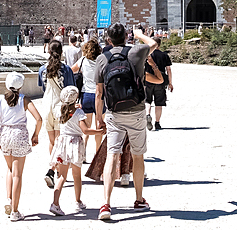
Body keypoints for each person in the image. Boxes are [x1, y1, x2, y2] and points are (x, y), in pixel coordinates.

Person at [94, 24, 157, 221]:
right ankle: (138, 199)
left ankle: (106, 203)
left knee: (112, 155)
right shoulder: (136, 51)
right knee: (138, 155)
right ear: (126, 36)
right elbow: (154, 43)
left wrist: (98, 118)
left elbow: (99, 93)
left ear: (109, 39)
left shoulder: (102, 59)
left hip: (114, 112)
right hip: (137, 110)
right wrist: (139, 35)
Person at [0, 71, 43, 222]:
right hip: (19, 134)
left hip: (5, 134)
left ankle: (8, 199)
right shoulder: (24, 100)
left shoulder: (0, 100)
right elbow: (39, 119)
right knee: (18, 174)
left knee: (10, 169)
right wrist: (35, 134)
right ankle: (15, 211)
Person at [48, 86, 101, 216]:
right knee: (77, 175)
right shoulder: (79, 113)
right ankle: (78, 201)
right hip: (75, 144)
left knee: (62, 176)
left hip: (62, 143)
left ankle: (55, 203)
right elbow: (85, 130)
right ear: (75, 98)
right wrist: (99, 131)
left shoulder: (59, 110)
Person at [39, 39, 75, 188]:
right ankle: (55, 170)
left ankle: (55, 169)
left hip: (47, 105)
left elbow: (42, 87)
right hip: (60, 107)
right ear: (61, 52)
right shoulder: (66, 69)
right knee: (61, 141)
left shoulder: (42, 69)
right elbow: (70, 90)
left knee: (52, 141)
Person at [72, 38, 102, 160]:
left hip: (86, 95)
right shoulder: (101, 60)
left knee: (87, 127)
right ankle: (97, 153)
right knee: (99, 125)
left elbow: (72, 69)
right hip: (99, 94)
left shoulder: (83, 60)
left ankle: (83, 154)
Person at [144, 36, 173, 131]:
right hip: (160, 82)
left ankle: (148, 115)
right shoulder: (164, 55)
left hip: (148, 80)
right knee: (159, 103)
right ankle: (157, 123)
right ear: (159, 45)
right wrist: (170, 83)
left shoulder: (146, 55)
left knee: (147, 101)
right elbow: (168, 70)